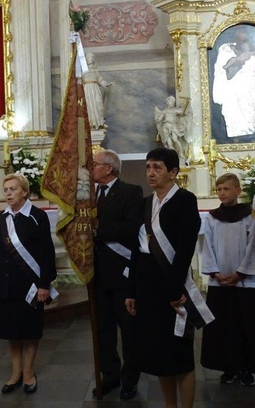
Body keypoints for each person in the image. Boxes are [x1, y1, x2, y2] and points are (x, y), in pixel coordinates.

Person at [125, 148, 213, 408]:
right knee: (159, 357)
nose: (150, 173)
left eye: (157, 167)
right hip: (147, 287)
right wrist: (132, 290)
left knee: (179, 356)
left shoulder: (185, 200)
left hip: (173, 287)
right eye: (148, 167)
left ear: (173, 172)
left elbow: (186, 249)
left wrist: (175, 292)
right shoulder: (145, 203)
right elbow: (136, 250)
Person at [200, 173, 255, 387]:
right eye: (219, 189)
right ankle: (228, 367)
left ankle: (246, 368)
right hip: (220, 282)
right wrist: (215, 272)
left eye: (226, 189)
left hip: (244, 282)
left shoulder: (250, 216)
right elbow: (208, 247)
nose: (222, 193)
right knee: (224, 327)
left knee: (247, 327)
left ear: (237, 190)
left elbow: (253, 245)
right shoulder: (212, 217)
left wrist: (241, 273)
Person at [0, 174, 57, 395]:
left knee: (30, 331)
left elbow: (47, 253)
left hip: (31, 287)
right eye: (5, 189)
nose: (8, 193)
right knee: (12, 333)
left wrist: (44, 284)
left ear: (24, 191)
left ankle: (28, 373)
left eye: (13, 189)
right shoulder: (0, 219)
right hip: (7, 285)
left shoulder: (37, 217)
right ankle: (15, 373)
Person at [91, 149, 143, 400]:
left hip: (122, 273)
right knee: (103, 329)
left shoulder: (131, 192)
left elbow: (131, 228)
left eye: (95, 164)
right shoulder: (87, 195)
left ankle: (129, 379)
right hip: (97, 274)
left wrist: (98, 230)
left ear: (108, 168)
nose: (91, 168)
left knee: (129, 329)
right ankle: (109, 376)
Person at [212, 30, 255, 138]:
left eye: (245, 40)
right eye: (240, 40)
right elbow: (222, 71)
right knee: (235, 116)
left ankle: (251, 134)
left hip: (250, 91)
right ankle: (236, 136)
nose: (243, 42)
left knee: (250, 115)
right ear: (235, 40)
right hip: (233, 92)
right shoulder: (226, 50)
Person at [155, 96, 190, 163]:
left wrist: (186, 103)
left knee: (175, 139)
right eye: (171, 102)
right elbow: (160, 119)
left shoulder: (175, 110)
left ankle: (181, 153)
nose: (172, 103)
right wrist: (158, 119)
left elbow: (182, 112)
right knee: (169, 143)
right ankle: (173, 157)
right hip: (165, 127)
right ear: (168, 102)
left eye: (173, 102)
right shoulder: (165, 111)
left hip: (173, 126)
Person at [83, 52, 113, 130]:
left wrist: (106, 84)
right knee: (89, 106)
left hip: (95, 88)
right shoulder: (83, 70)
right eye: (89, 57)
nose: (91, 59)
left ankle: (99, 122)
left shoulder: (95, 70)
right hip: (87, 89)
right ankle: (91, 123)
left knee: (98, 104)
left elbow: (100, 79)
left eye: (92, 57)